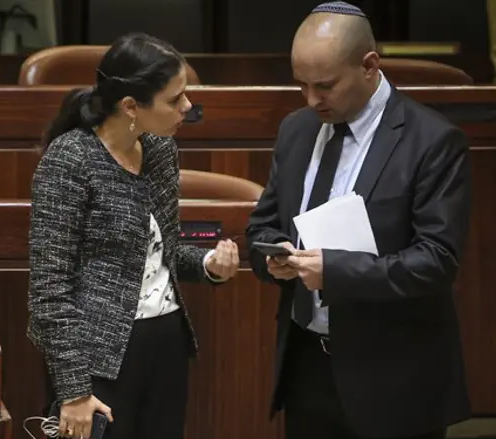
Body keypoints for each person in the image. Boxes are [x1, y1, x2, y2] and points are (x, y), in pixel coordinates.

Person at [245, 2, 472, 439]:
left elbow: (437, 259)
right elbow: (263, 225)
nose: (312, 100)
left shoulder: (434, 141)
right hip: (307, 366)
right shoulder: (296, 129)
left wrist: (333, 269)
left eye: (325, 85)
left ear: (369, 66)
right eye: (302, 85)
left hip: (394, 377)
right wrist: (272, 256)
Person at [27, 32, 240, 439]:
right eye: (175, 99)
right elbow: (48, 289)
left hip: (166, 341)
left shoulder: (159, 149)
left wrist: (209, 264)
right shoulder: (71, 159)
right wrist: (73, 391)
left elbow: (161, 251)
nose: (188, 107)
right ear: (130, 106)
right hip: (97, 356)